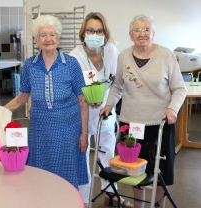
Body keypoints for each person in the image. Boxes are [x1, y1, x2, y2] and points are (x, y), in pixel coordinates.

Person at [100, 14, 187, 208]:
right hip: (131, 124)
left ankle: (158, 206)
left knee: (161, 171)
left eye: (147, 29)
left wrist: (172, 109)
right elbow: (117, 86)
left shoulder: (166, 55)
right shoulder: (123, 56)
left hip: (161, 123)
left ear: (153, 33)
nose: (142, 34)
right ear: (131, 35)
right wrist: (109, 104)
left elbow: (180, 88)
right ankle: (139, 206)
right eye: (137, 30)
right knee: (134, 169)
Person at [4, 15, 89, 189]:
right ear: (36, 40)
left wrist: (84, 133)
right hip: (40, 129)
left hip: (67, 127)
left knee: (66, 170)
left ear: (59, 38)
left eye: (52, 34)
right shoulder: (30, 65)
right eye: (43, 35)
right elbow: (22, 97)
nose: (48, 39)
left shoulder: (71, 63)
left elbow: (83, 100)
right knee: (40, 171)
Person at [70, 12, 132, 208]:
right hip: (81, 112)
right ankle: (83, 199)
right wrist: (88, 98)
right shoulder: (75, 56)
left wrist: (108, 104)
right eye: (90, 30)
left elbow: (119, 81)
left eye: (99, 31)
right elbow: (74, 88)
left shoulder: (111, 51)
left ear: (104, 33)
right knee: (82, 154)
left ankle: (110, 194)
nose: (94, 34)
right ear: (83, 32)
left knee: (107, 153)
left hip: (106, 109)